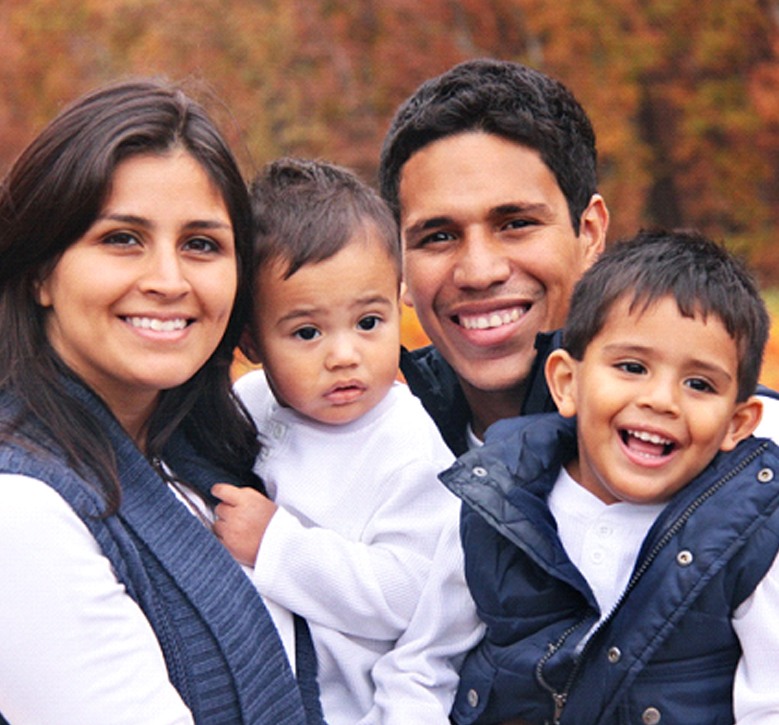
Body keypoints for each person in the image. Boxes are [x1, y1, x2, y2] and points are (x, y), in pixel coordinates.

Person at [0, 80, 322, 724]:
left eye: (201, 244)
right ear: (40, 272)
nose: (169, 281)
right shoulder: (22, 512)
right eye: (122, 238)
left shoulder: (212, 455)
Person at [440, 229, 779, 723]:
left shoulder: (749, 538)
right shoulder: (497, 503)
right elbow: (427, 665)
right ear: (567, 383)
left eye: (698, 383)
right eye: (632, 366)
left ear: (736, 423)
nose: (661, 399)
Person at [211, 158, 483, 724]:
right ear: (252, 342)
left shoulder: (404, 442)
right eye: (307, 332)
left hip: (343, 704)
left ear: (398, 300)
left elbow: (409, 593)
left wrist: (277, 548)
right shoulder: (252, 402)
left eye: (368, 323)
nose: (344, 356)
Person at [378, 58, 610, 454]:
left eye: (516, 224)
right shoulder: (367, 467)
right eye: (439, 236)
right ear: (398, 267)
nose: (480, 272)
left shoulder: (719, 470)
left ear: (588, 233)